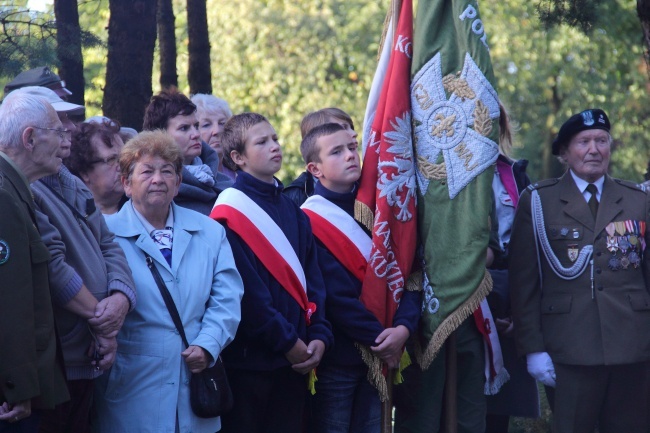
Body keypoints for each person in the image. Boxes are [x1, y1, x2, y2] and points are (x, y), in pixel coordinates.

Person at [92, 130, 243, 433]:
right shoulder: (104, 234)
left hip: (196, 381)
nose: (158, 179)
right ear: (126, 183)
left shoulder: (209, 231)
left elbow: (227, 298)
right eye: (146, 171)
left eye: (167, 171)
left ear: (177, 183)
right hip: (131, 388)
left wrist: (208, 344)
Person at [509, 108, 650, 433]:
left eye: (601, 140)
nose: (594, 149)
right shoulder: (539, 202)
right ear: (564, 152)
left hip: (632, 345)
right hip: (569, 350)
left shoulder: (636, 200)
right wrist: (533, 348)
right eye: (584, 141)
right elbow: (523, 283)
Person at [13, 87, 137, 433]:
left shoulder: (70, 183)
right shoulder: (24, 188)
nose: (69, 127)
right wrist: (102, 320)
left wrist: (120, 301)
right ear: (29, 134)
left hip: (89, 353)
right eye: (59, 121)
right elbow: (52, 266)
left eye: (68, 118)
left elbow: (109, 245)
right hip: (60, 358)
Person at [210, 113, 333, 433]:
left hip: (297, 360)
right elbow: (248, 294)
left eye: (275, 139)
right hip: (252, 363)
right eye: (261, 142)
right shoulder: (229, 211)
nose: (274, 147)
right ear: (237, 158)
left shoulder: (294, 209)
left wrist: (319, 334)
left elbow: (313, 281)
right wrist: (289, 342)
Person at [299, 123, 421, 433]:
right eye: (337, 152)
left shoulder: (381, 209)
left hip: (387, 348)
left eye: (353, 148)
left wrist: (404, 329)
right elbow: (335, 297)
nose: (351, 156)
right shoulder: (307, 220)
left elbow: (409, 274)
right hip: (340, 357)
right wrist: (383, 340)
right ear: (315, 168)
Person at [0, 91, 69, 432]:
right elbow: (10, 301)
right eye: (58, 132)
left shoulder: (14, 188)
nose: (65, 141)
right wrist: (18, 387)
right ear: (30, 138)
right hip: (13, 399)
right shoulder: (3, 195)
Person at [484, 106, 539, 432]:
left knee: (500, 405)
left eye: (492, 123)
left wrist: (521, 311)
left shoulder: (515, 174)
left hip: (511, 293)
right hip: (467, 297)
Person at [143, 88, 232, 215]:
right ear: (160, 135)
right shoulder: (151, 187)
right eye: (184, 128)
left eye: (196, 126)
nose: (196, 134)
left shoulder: (224, 183)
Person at [284, 108, 359, 206]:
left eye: (351, 127)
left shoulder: (368, 180)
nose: (354, 134)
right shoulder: (296, 197)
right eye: (342, 128)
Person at [65, 118, 128, 214]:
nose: (122, 166)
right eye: (111, 159)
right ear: (84, 173)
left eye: (124, 158)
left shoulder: (144, 211)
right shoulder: (71, 216)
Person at [191, 94, 236, 182]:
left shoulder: (241, 169)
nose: (217, 131)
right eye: (206, 125)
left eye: (222, 123)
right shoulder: (190, 175)